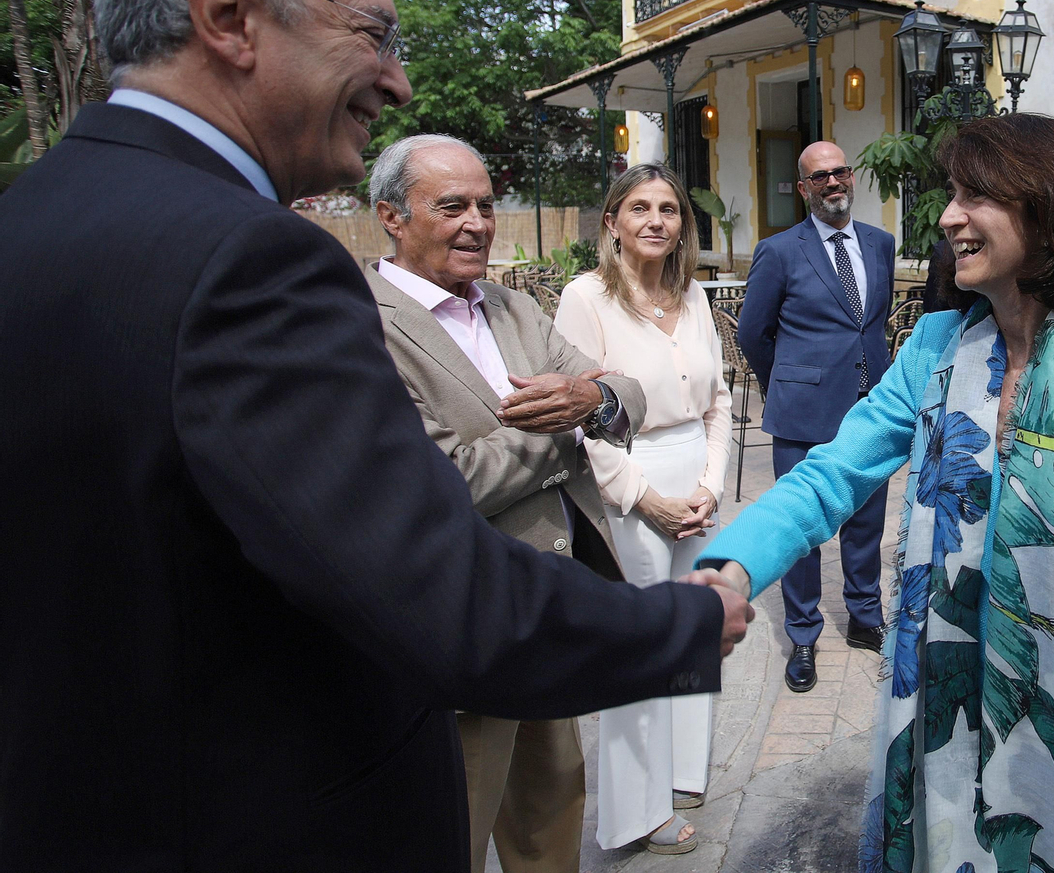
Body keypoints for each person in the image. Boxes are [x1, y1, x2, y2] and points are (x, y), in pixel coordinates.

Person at [0, 0, 752, 872]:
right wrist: (685, 620)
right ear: (226, 15)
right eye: (371, 34)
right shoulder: (255, 258)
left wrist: (589, 404)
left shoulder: (30, 217)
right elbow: (431, 574)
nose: (395, 82)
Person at [695, 114, 1054, 871]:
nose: (950, 217)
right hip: (944, 728)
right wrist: (732, 569)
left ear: (1051, 211)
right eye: (952, 194)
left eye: (976, 195)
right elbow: (832, 473)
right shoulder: (936, 348)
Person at [366, 134, 640, 873]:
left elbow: (625, 392)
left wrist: (594, 398)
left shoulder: (512, 306)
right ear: (391, 217)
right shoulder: (362, 325)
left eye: (486, 206)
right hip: (457, 631)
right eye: (452, 206)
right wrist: (568, 433)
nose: (478, 224)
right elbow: (442, 482)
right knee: (451, 831)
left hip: (544, 614)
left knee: (549, 822)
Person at [554, 165, 733, 856]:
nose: (656, 220)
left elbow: (719, 402)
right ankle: (637, 810)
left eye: (669, 208)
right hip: (629, 482)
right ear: (613, 222)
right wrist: (643, 497)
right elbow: (580, 419)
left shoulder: (692, 297)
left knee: (694, 625)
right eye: (639, 208)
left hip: (697, 479)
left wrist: (711, 485)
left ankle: (683, 771)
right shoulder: (586, 298)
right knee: (641, 642)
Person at [736, 140, 896, 693]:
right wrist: (785, 384)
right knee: (801, 527)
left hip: (870, 409)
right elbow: (752, 333)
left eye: (840, 172)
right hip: (803, 412)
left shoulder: (880, 244)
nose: (833, 182)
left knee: (866, 523)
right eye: (820, 176)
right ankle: (802, 635)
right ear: (804, 187)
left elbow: (871, 324)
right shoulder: (779, 251)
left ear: (851, 177)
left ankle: (864, 616)